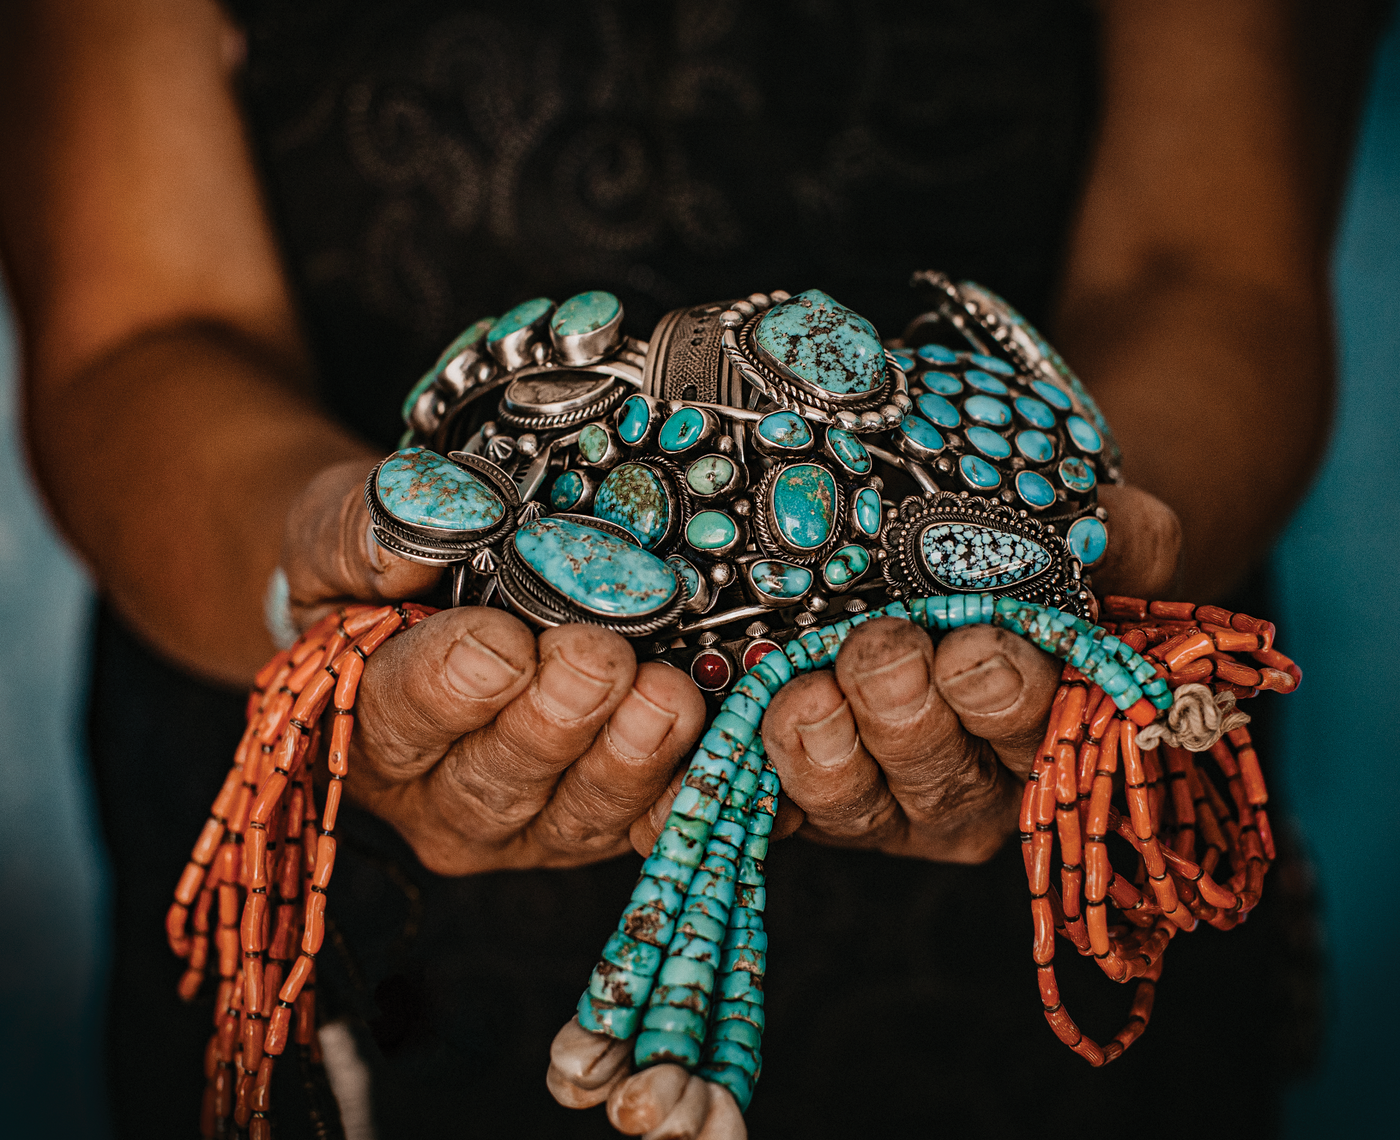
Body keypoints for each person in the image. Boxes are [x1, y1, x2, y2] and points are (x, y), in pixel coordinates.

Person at [0, 1, 1386, 1136]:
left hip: (1047, 881)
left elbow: (1212, 265)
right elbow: (138, 327)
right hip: (358, 914)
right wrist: (304, 574)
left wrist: (1117, 532)